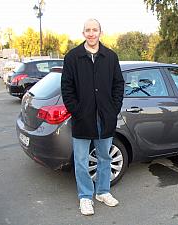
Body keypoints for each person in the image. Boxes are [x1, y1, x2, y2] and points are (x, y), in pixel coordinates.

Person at [61, 18, 124, 216]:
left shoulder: (111, 57)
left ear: (100, 32)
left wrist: (113, 109)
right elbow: (66, 88)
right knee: (81, 160)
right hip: (82, 118)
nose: (91, 33)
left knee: (104, 157)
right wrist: (76, 111)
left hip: (105, 118)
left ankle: (103, 192)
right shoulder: (73, 57)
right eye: (87, 30)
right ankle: (85, 197)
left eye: (94, 30)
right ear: (83, 33)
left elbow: (118, 85)